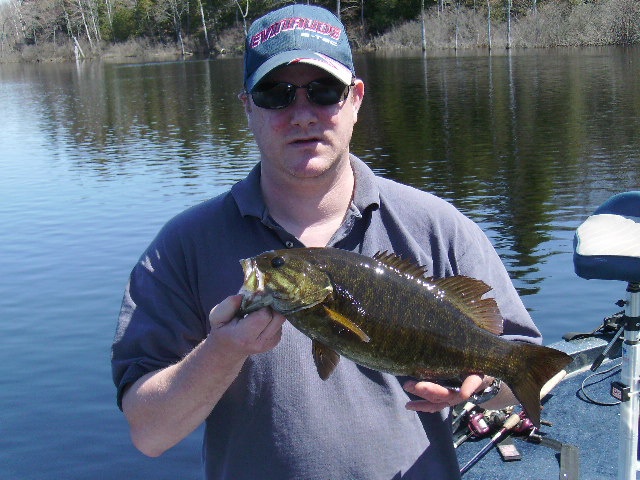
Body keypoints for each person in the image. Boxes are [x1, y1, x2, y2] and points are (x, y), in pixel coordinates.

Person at [112, 4, 542, 479]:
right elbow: (148, 435)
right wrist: (222, 350)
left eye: (324, 91)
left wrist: (476, 388)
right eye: (275, 94)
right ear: (248, 107)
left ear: (356, 99)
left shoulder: (436, 227)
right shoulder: (183, 247)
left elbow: (527, 373)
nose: (302, 114)